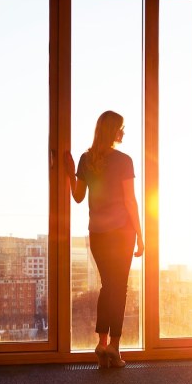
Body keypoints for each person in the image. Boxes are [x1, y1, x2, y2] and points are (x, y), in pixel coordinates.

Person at [65, 110, 144, 368]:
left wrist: (70, 173)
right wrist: (140, 234)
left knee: (107, 286)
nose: (123, 132)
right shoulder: (124, 160)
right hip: (122, 233)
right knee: (119, 288)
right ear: (112, 131)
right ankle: (114, 348)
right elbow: (130, 201)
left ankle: (101, 343)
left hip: (97, 233)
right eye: (121, 127)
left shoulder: (86, 159)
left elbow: (78, 197)